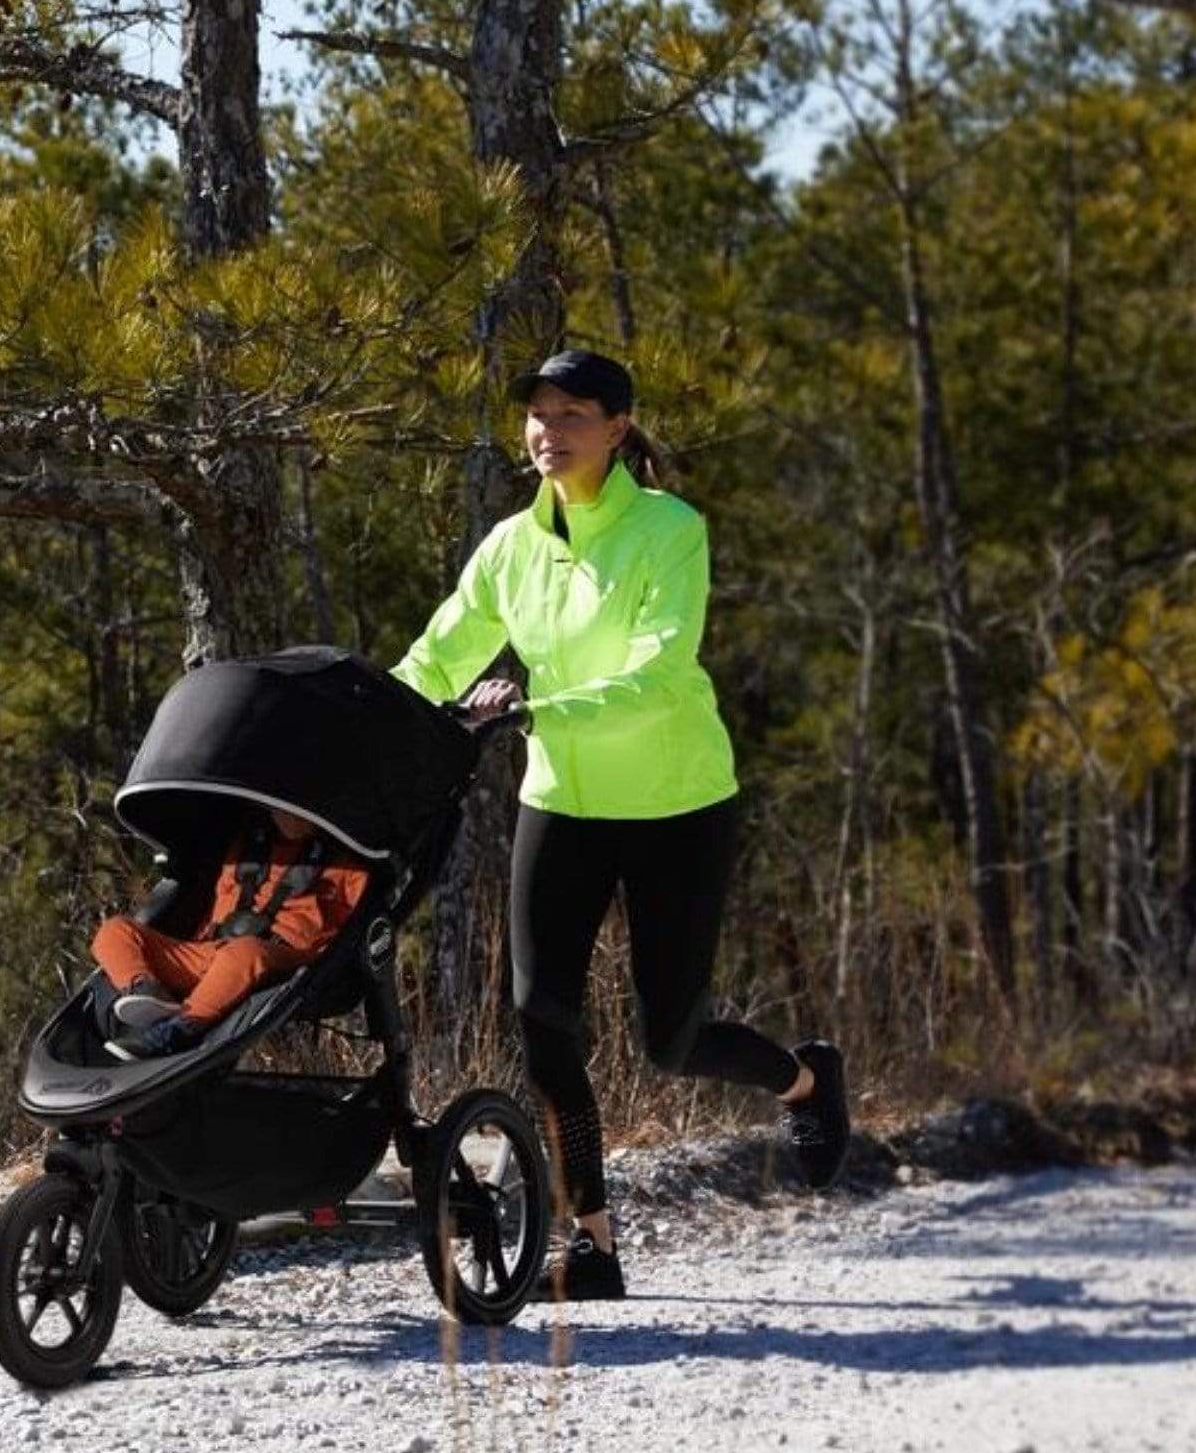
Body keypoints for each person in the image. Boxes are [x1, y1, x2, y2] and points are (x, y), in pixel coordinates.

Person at [390, 346, 851, 1300]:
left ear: (618, 428)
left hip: (675, 804)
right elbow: (439, 655)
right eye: (536, 416)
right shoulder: (512, 547)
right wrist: (373, 717)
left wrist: (536, 712)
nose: (545, 433)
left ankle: (803, 1081)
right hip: (562, 800)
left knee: (670, 1041)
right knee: (541, 1015)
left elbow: (659, 667)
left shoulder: (670, 531)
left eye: (569, 415)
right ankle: (591, 1242)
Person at [95, 806, 370, 1062]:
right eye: (278, 810)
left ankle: (179, 1028)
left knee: (245, 951)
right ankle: (149, 991)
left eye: (295, 811)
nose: (287, 817)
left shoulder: (346, 864)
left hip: (276, 960)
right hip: (212, 951)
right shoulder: (248, 844)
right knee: (114, 931)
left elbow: (352, 925)